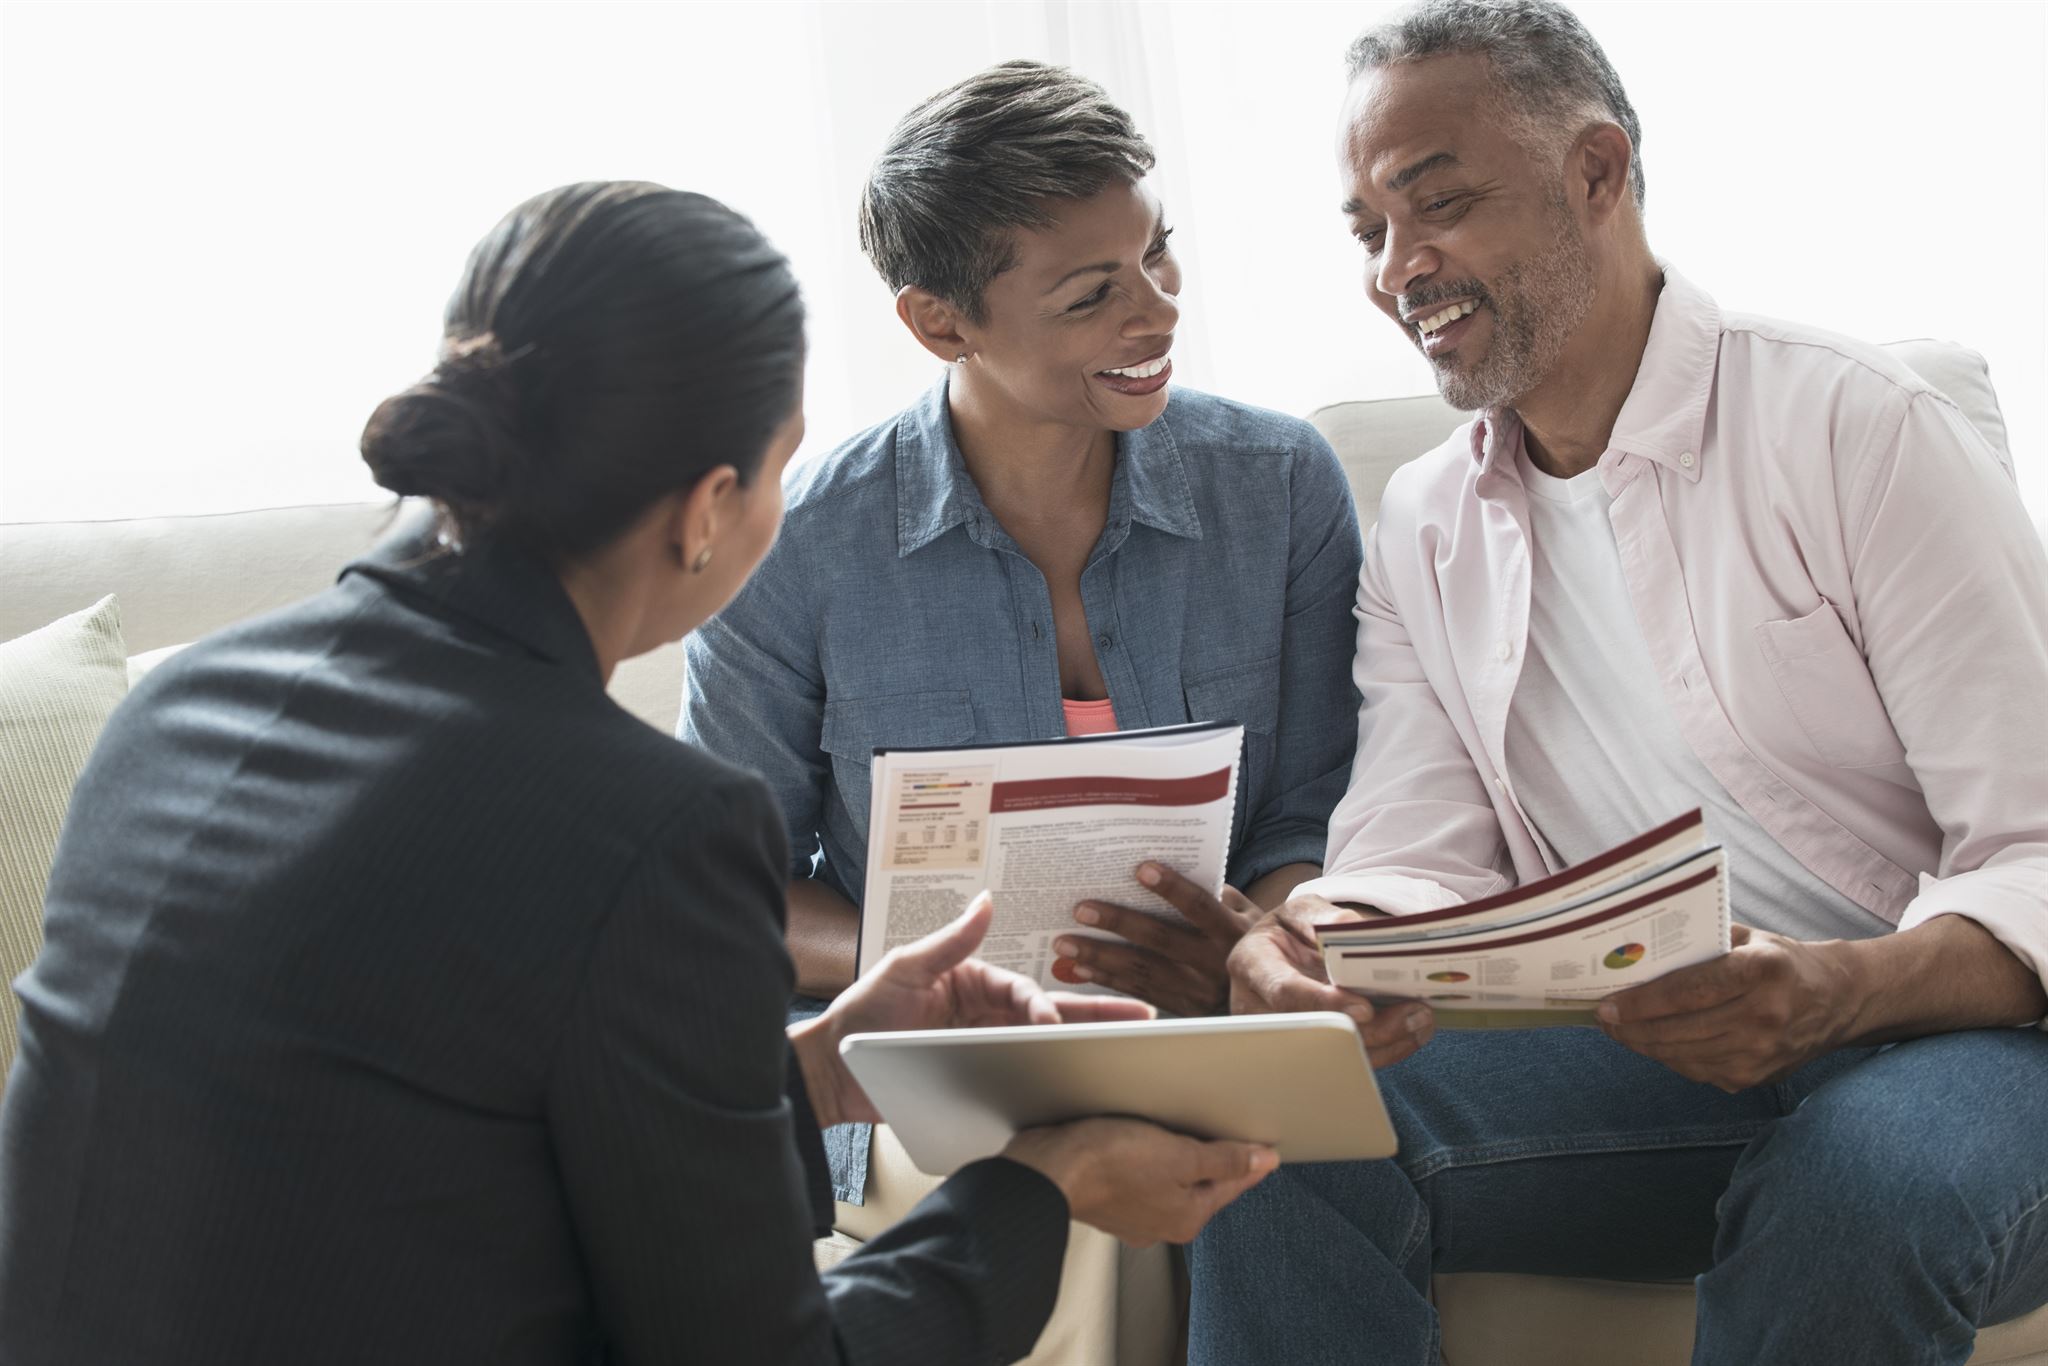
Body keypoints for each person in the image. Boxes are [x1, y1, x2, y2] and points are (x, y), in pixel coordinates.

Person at [0, 181, 1277, 1366]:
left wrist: (823, 1067)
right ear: (708, 508)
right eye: (781, 468)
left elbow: (420, 1142)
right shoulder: (648, 826)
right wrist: (1044, 1186)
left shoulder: (175, 707)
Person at [1188, 3, 2048, 1363]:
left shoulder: (1859, 427)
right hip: (1655, 1052)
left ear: (1595, 171)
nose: (1397, 269)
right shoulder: (1422, 521)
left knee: (1857, 1183)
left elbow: (2036, 845)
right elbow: (1411, 844)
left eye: (1437, 205)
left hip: (1972, 1042)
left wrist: (1840, 989)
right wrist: (1330, 941)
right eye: (1367, 231)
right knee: (1275, 1115)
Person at [679, 58, 1363, 1230]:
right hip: (921, 1047)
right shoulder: (799, 545)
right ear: (940, 321)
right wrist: (940, 966)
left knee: (1253, 1161)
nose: (1156, 310)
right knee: (1062, 1177)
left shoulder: (1280, 484)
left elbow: (1316, 809)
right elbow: (722, 895)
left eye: (1156, 253)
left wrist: (1245, 950)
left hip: (1204, 1020)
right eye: (1092, 294)